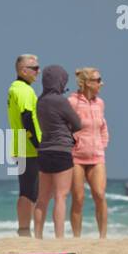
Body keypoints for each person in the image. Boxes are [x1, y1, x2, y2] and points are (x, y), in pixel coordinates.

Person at [32, 65, 83, 239]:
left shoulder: (40, 101)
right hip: (61, 150)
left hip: (44, 151)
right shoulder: (61, 101)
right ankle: (59, 236)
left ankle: (37, 236)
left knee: (42, 198)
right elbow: (77, 123)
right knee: (61, 196)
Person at [68, 66, 110, 238]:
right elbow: (65, 126)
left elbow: (103, 126)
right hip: (75, 157)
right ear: (87, 83)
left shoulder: (100, 103)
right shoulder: (72, 102)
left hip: (97, 156)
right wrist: (73, 143)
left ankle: (103, 237)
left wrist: (102, 144)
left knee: (99, 195)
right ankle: (77, 238)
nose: (101, 83)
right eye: (98, 80)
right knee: (78, 199)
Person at [7, 54, 42, 236]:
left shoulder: (16, 88)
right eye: (35, 68)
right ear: (23, 70)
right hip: (28, 148)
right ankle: (25, 230)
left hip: (21, 146)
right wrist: (38, 145)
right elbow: (27, 118)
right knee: (30, 192)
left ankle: (24, 230)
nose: (38, 71)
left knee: (28, 190)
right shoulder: (23, 90)